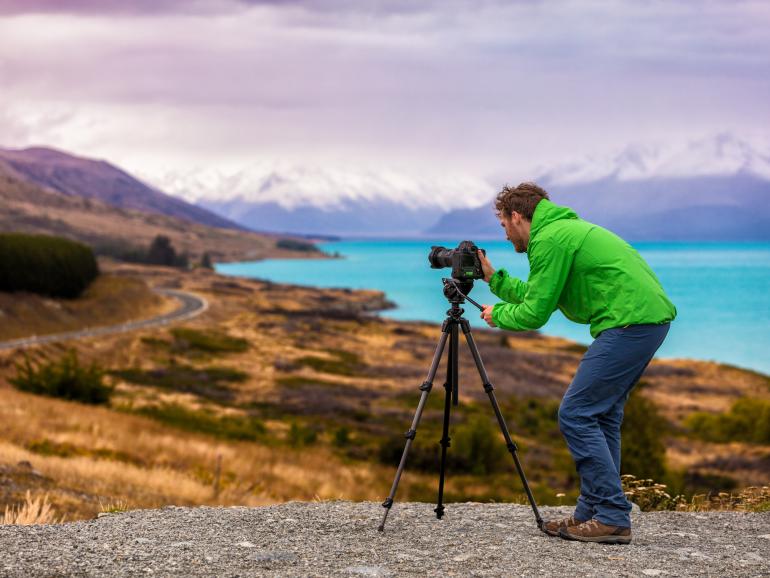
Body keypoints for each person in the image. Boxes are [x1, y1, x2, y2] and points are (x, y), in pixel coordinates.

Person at [477, 182, 676, 545]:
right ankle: (593, 511)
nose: (505, 236)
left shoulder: (549, 240)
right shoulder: (562, 232)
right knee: (602, 416)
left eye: (504, 226)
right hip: (645, 321)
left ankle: (613, 517)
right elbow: (542, 295)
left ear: (517, 216)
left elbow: (535, 313)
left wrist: (499, 315)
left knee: (576, 413)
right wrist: (494, 279)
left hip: (630, 323)